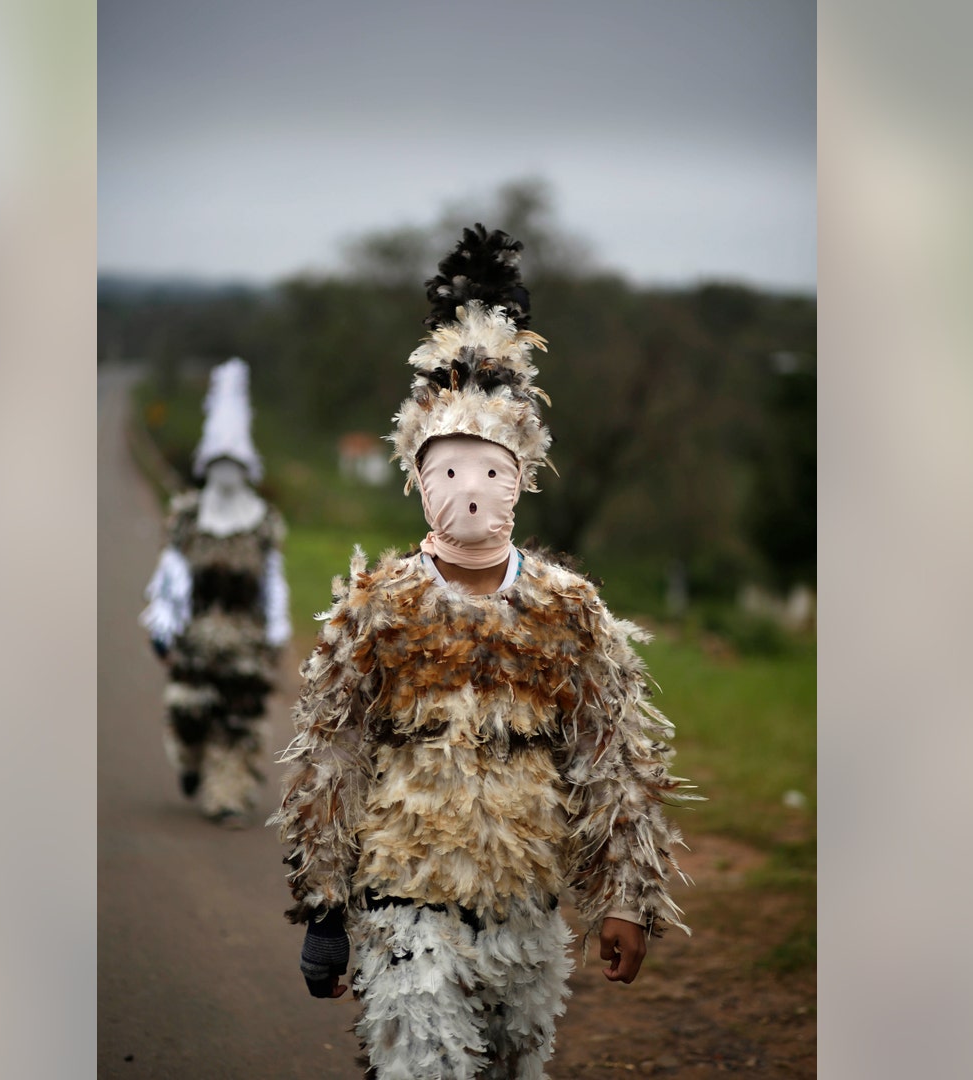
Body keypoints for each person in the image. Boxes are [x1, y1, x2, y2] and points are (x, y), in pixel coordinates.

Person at [270, 227, 692, 1078]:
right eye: (450, 470)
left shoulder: (570, 611)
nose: (471, 492)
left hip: (523, 915)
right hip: (402, 904)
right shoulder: (376, 608)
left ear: (521, 478)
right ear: (419, 477)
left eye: (491, 472)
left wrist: (627, 897)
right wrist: (322, 906)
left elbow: (613, 755)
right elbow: (331, 754)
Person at [143, 358, 291, 826]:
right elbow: (170, 576)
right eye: (219, 465)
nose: (226, 473)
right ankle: (189, 760)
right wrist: (163, 625)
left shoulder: (262, 522)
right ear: (209, 466)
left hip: (244, 639)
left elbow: (273, 580)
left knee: (238, 721)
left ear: (244, 468)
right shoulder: (189, 518)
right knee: (189, 713)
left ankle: (227, 796)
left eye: (234, 465)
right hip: (196, 636)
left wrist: (277, 629)